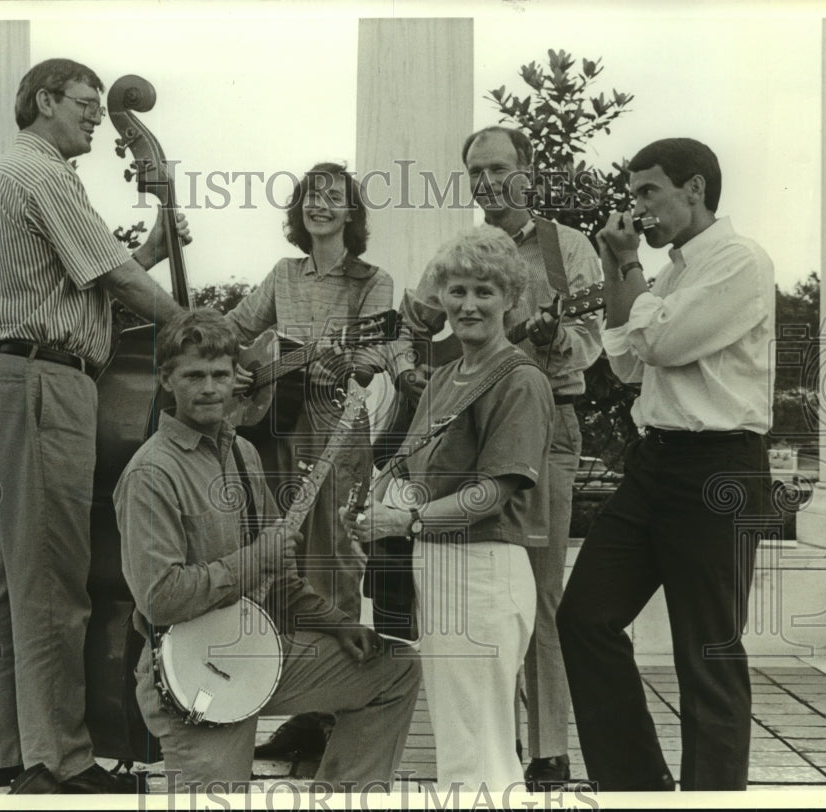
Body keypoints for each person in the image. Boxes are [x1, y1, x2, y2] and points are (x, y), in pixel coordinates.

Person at [0, 58, 189, 794]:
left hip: (15, 375)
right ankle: (61, 761)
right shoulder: (44, 175)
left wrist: (153, 252)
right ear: (43, 101)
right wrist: (193, 324)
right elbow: (117, 280)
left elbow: (82, 282)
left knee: (11, 577)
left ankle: (4, 750)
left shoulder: (21, 175)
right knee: (55, 581)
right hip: (43, 383)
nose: (97, 116)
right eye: (85, 103)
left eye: (100, 105)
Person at [113, 309, 420, 791]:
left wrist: (337, 624)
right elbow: (159, 599)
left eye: (220, 375)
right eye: (194, 375)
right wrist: (259, 557)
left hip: (257, 651)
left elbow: (277, 577)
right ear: (166, 379)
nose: (210, 388)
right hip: (193, 673)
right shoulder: (150, 474)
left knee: (393, 668)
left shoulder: (243, 454)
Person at [556, 138, 775, 791]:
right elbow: (625, 362)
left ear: (696, 189)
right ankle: (637, 793)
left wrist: (626, 264)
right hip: (655, 464)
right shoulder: (672, 270)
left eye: (648, 191)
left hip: (719, 470)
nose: (637, 208)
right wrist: (614, 264)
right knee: (586, 618)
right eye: (633, 193)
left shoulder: (737, 260)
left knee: (706, 652)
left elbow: (660, 340)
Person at [397, 126, 602, 787]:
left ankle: (545, 746)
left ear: (529, 171)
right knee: (466, 580)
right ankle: (490, 745)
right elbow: (410, 329)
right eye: (475, 171)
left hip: (545, 422)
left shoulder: (566, 246)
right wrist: (414, 379)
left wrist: (557, 337)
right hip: (470, 424)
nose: (487, 182)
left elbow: (595, 342)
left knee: (537, 586)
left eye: (498, 169)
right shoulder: (460, 252)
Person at [344, 226, 554, 790]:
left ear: (511, 299)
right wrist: (375, 500)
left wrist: (402, 519)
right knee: (462, 743)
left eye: (484, 292)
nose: (468, 305)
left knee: (478, 747)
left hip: (483, 572)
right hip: (437, 568)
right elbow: (415, 475)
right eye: (457, 290)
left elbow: (493, 494)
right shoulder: (442, 379)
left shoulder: (520, 380)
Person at [224, 163, 397, 760]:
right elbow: (237, 329)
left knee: (335, 556)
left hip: (336, 426)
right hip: (279, 426)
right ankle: (295, 701)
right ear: (298, 212)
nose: (320, 206)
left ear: (352, 214)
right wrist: (242, 367)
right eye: (310, 198)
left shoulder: (372, 282)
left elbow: (375, 351)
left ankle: (333, 710)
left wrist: (352, 362)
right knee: (282, 556)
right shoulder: (284, 274)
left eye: (334, 198)